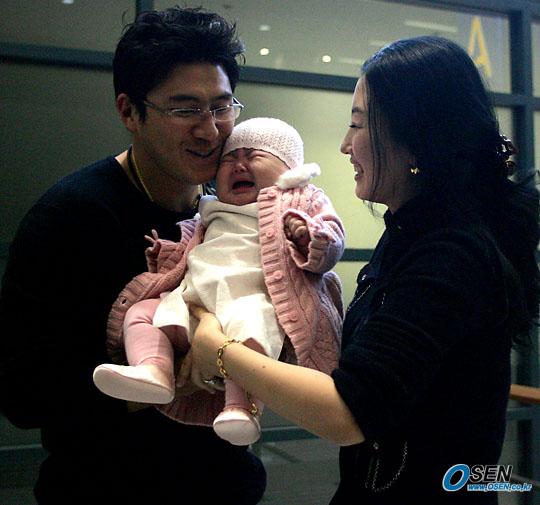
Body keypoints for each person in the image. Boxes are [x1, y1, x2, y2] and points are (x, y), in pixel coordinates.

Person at [181, 36, 540, 504]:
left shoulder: (452, 254)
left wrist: (220, 351)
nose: (345, 145)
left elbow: (349, 412)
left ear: (414, 138)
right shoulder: (409, 233)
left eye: (357, 124)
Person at [0, 7, 268, 505]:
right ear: (129, 112)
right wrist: (174, 376)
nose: (210, 130)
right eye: (185, 110)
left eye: (222, 106)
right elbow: (22, 395)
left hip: (227, 484)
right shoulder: (71, 217)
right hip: (104, 488)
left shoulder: (228, 210)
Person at [92, 117, 344, 447]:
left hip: (251, 299)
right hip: (192, 298)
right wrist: (166, 252)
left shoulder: (299, 200)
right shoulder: (209, 210)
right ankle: (154, 369)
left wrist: (314, 239)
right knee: (141, 313)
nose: (238, 165)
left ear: (289, 170)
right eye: (229, 159)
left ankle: (241, 408)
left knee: (251, 333)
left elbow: (332, 236)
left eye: (253, 156)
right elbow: (191, 252)